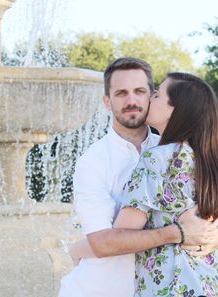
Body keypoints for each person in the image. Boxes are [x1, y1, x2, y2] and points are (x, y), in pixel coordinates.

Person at [58, 58, 218, 297]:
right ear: (107, 102)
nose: (132, 101)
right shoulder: (92, 162)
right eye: (121, 93)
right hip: (101, 290)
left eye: (141, 92)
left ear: (150, 96)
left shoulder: (169, 152)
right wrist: (179, 232)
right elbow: (103, 243)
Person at [113, 72, 218, 296]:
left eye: (158, 95)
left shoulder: (158, 160)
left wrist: (81, 249)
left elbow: (120, 237)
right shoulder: (209, 162)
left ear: (175, 110)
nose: (150, 98)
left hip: (170, 288)